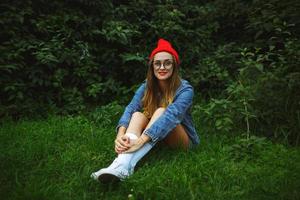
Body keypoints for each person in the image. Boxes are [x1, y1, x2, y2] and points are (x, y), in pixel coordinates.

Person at [91, 38, 200, 183]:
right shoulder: (147, 86)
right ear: (152, 67)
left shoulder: (185, 90)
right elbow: (131, 108)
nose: (162, 67)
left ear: (174, 66)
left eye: (167, 63)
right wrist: (120, 134)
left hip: (182, 141)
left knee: (162, 111)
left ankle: (122, 165)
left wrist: (141, 140)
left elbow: (170, 117)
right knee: (137, 115)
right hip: (157, 137)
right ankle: (122, 166)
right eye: (157, 63)